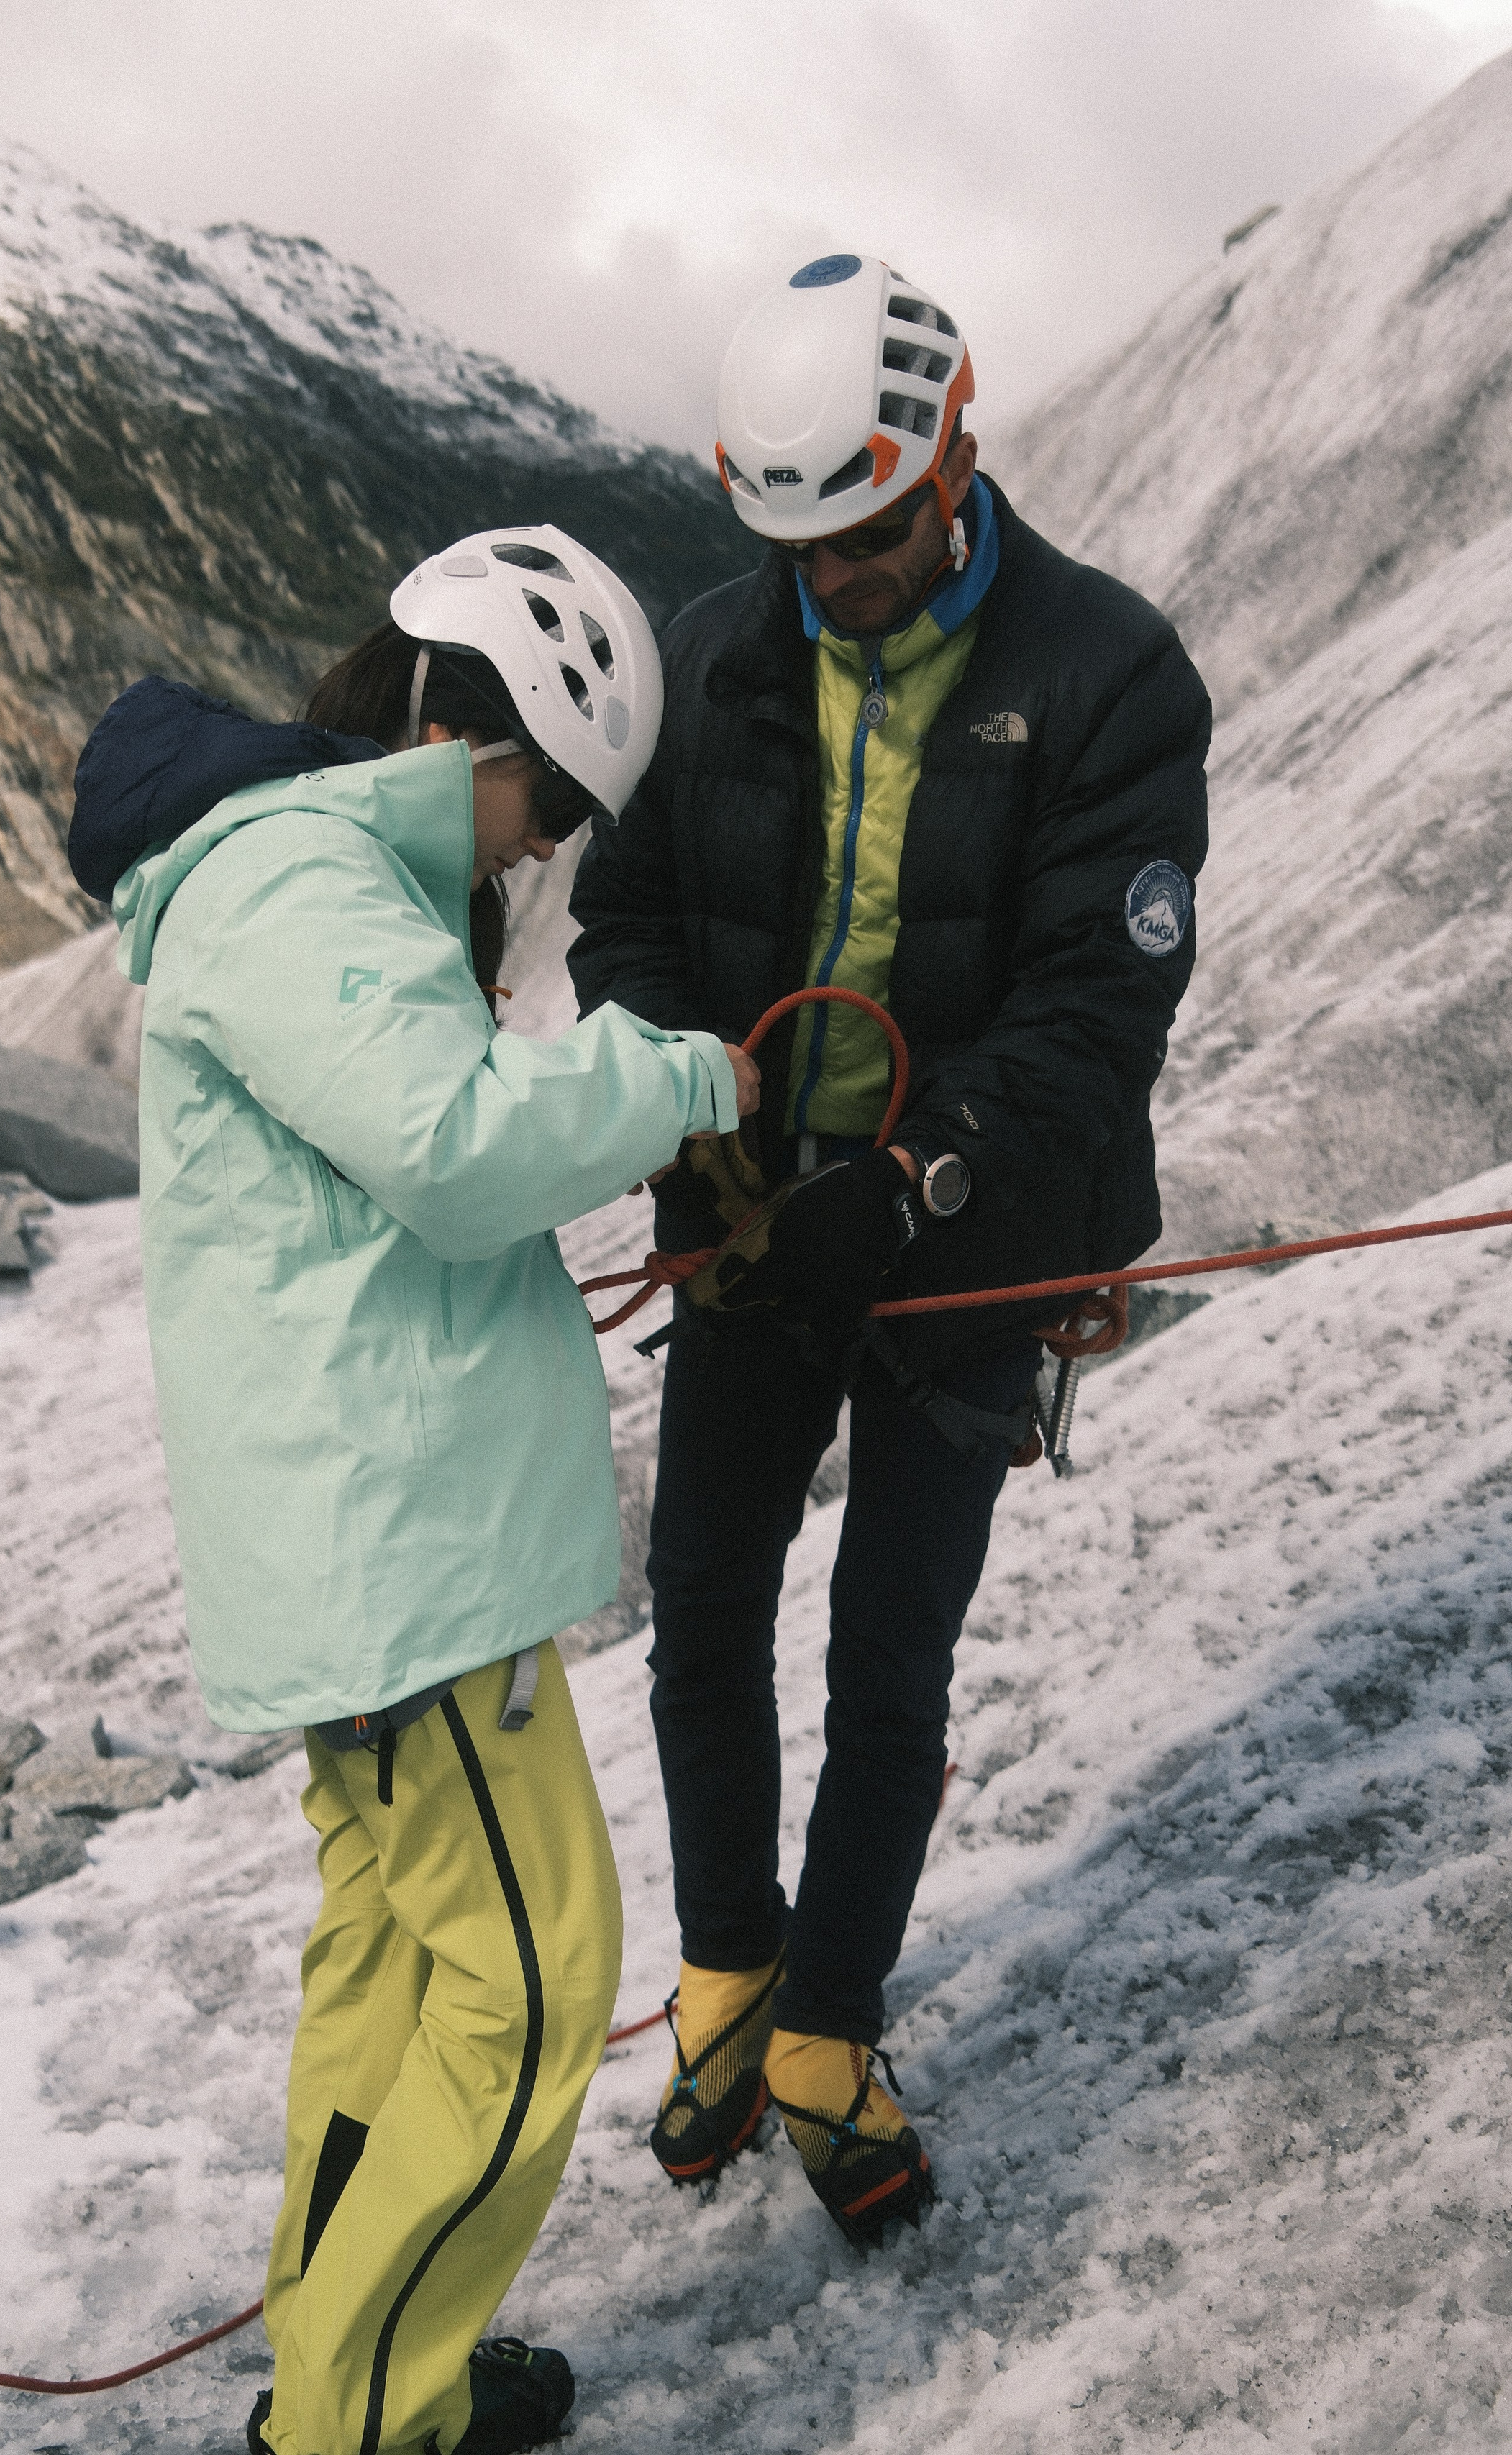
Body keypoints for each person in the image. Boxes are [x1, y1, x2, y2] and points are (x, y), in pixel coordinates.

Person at [66, 527, 760, 2455]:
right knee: (539, 1988)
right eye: (546, 804)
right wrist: (676, 1077)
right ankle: (366, 2423)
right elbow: (449, 1148)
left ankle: (369, 2369)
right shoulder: (298, 879)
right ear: (462, 719)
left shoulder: (303, 872)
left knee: (396, 1980)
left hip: (383, 1555)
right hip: (404, 1573)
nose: (539, 854)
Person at [567, 254, 1211, 2247]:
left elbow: (1096, 1020)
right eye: (797, 546)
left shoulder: (1109, 673)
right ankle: (729, 1980)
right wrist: (711, 1103)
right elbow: (635, 923)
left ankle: (833, 2030)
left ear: (949, 460)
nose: (829, 580)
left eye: (861, 537)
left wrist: (915, 1179)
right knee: (702, 1607)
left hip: (969, 1244)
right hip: (759, 1222)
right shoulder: (721, 645)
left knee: (890, 1651)